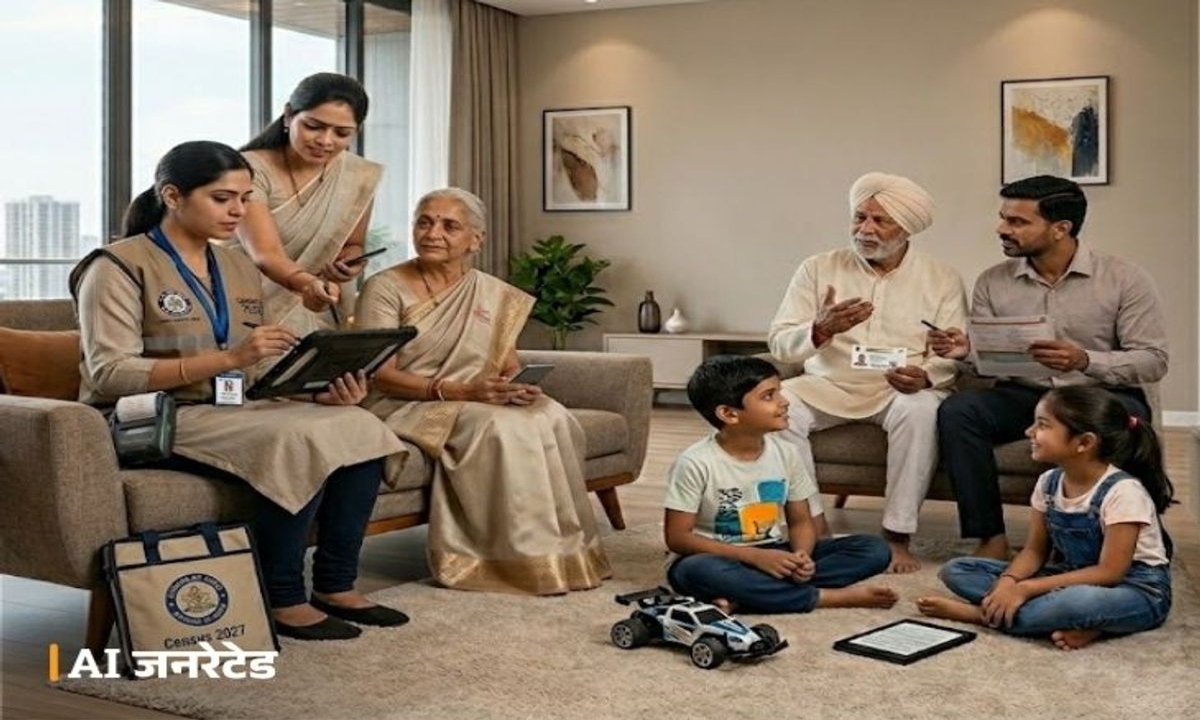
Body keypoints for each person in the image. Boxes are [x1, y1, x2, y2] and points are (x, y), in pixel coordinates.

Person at [70, 141, 408, 641]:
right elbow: (111, 374)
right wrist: (230, 360)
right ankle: (283, 597)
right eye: (222, 198)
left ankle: (336, 584)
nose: (238, 211)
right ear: (172, 196)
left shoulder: (236, 267)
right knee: (293, 439)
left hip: (230, 409)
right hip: (149, 418)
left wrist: (315, 394)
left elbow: (253, 366)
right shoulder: (115, 266)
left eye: (246, 199)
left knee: (358, 425)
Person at [354, 187, 611, 595]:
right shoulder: (385, 287)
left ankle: (566, 555)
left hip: (474, 397)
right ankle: (504, 562)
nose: (433, 233)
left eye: (449, 226)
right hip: (408, 402)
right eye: (424, 222)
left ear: (476, 239)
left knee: (551, 414)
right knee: (503, 427)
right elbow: (380, 376)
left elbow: (507, 364)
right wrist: (462, 391)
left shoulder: (492, 291)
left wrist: (517, 387)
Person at [930, 175, 1168, 560]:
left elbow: (1153, 360)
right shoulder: (992, 282)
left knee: (1125, 418)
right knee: (960, 411)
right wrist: (966, 352)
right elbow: (988, 364)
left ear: (1061, 229)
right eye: (1003, 217)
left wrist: (1085, 360)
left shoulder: (1125, 279)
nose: (1001, 229)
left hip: (1098, 395)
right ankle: (989, 537)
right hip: (1024, 393)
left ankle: (1128, 537)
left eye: (1017, 222)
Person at [768, 172, 967, 573]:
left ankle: (896, 535)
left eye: (880, 221)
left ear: (906, 228)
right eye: (860, 217)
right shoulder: (817, 268)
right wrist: (820, 329)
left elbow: (951, 350)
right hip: (827, 383)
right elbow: (779, 342)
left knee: (921, 409)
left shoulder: (941, 277)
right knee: (776, 408)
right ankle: (814, 526)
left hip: (898, 389)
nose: (865, 229)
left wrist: (926, 376)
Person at [916, 386, 1175, 650]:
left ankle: (983, 615)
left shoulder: (1124, 492)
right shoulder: (1048, 482)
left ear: (1084, 443)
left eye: (1042, 425)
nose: (1029, 432)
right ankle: (1077, 622)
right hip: (1069, 576)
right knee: (958, 570)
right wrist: (1008, 582)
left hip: (1135, 589)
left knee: (1077, 602)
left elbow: (1110, 572)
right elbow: (1034, 551)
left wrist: (1026, 589)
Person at [664, 355, 897, 614]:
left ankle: (748, 596)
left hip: (774, 550)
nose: (784, 402)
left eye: (780, 392)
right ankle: (822, 597)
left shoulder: (787, 453)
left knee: (874, 549)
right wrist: (756, 558)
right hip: (717, 557)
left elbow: (800, 521)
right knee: (696, 571)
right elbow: (678, 538)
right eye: (768, 396)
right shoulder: (695, 462)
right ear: (729, 413)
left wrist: (801, 556)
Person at [232, 72, 382, 335]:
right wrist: (307, 284)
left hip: (320, 307)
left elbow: (353, 243)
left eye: (341, 133)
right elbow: (265, 254)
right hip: (247, 304)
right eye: (313, 126)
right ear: (289, 116)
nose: (325, 141)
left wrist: (350, 263)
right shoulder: (249, 169)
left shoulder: (359, 175)